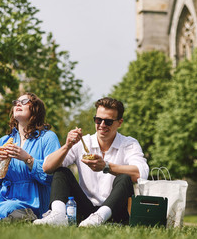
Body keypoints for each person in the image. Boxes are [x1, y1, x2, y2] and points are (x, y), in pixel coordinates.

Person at [34, 97, 149, 227]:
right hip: (86, 209)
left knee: (124, 178)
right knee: (62, 172)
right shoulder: (83, 143)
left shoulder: (129, 144)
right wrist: (67, 146)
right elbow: (47, 167)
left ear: (119, 122)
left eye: (108, 122)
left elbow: (141, 173)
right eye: (98, 120)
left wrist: (106, 166)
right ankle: (58, 215)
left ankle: (100, 217)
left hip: (114, 211)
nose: (102, 125)